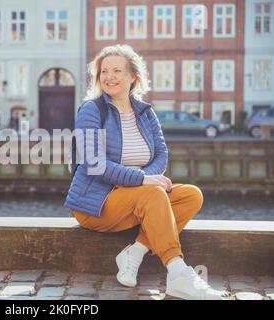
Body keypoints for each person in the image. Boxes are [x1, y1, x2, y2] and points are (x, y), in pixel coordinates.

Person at [64, 44, 229, 300]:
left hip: (136, 195)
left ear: (133, 76)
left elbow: (161, 153)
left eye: (117, 70)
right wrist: (141, 180)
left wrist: (144, 180)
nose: (109, 77)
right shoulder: (92, 110)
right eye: (104, 71)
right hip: (95, 203)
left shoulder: (145, 113)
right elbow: (94, 163)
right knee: (153, 194)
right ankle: (177, 273)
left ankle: (135, 252)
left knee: (191, 195)